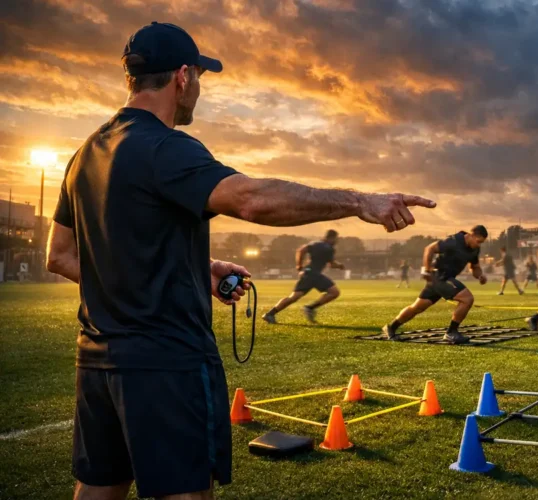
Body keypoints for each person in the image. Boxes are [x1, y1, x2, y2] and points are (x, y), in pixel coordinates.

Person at [45, 22, 435, 500]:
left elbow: (60, 255)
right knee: (184, 491)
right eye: (201, 78)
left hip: (98, 362)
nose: (199, 90)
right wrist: (360, 201)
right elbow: (250, 199)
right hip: (167, 364)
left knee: (98, 489)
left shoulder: (85, 153)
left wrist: (195, 268)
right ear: (183, 77)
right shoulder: (165, 147)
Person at [381, 226, 489, 344]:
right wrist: (427, 270)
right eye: (478, 242)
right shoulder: (453, 241)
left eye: (481, 243)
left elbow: (475, 267)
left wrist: (480, 276)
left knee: (417, 307)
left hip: (443, 279)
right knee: (467, 299)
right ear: (471, 235)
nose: (479, 245)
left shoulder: (474, 249)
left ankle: (391, 327)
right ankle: (451, 332)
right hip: (440, 276)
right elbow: (429, 248)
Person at [263, 230, 344, 324]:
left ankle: (270, 314)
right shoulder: (328, 248)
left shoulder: (316, 244)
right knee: (334, 292)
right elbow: (332, 264)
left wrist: (299, 265)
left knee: (294, 297)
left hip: (310, 273)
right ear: (331, 238)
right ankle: (309, 308)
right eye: (335, 239)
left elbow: (301, 250)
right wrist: (340, 266)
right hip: (313, 274)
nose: (336, 241)